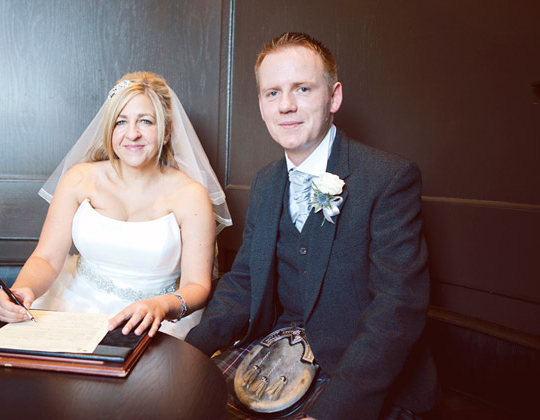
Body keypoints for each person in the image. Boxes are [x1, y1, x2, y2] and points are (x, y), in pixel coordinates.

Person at [185, 33, 438, 419]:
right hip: (274, 353)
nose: (286, 105)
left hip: (354, 374)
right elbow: (244, 282)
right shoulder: (267, 182)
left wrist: (333, 412)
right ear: (261, 106)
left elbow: (396, 311)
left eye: (302, 89)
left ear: (333, 97)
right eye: (272, 93)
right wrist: (189, 353)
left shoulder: (389, 177)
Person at [0, 71, 232, 340]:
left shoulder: (191, 195)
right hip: (72, 306)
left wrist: (162, 305)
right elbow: (46, 258)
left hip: (155, 319)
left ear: (166, 132)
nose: (132, 134)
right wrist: (22, 289)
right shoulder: (79, 179)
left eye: (146, 121)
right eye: (121, 122)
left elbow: (196, 285)